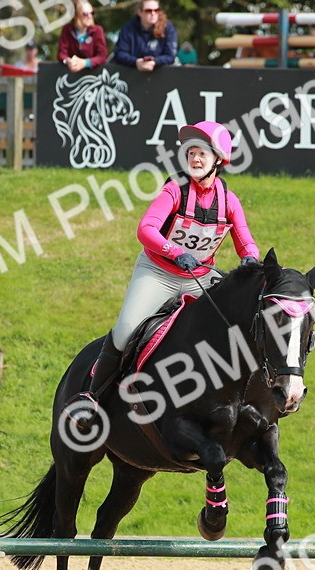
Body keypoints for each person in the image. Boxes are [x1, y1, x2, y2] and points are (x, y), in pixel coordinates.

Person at [67, 122, 261, 424]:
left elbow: (246, 241)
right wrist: (175, 252)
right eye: (191, 153)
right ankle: (91, 397)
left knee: (237, 322)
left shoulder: (229, 200)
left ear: (219, 160)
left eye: (202, 154)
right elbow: (145, 230)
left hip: (199, 277)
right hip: (158, 272)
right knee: (126, 329)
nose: (195, 159)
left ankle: (247, 395)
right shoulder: (175, 190)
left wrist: (250, 258)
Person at [113, 0, 177, 72]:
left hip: (161, 74)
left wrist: (155, 61)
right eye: (148, 11)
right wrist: (136, 62)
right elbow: (120, 53)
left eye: (156, 10)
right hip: (133, 75)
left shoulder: (168, 28)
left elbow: (170, 56)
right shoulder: (128, 29)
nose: (153, 13)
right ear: (139, 12)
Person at [58, 2, 107, 73]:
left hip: (93, 75)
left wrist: (85, 63)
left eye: (92, 13)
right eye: (85, 14)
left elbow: (102, 56)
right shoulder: (67, 29)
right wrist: (68, 61)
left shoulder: (98, 30)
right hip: (71, 74)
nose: (90, 16)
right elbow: (61, 54)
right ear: (76, 15)